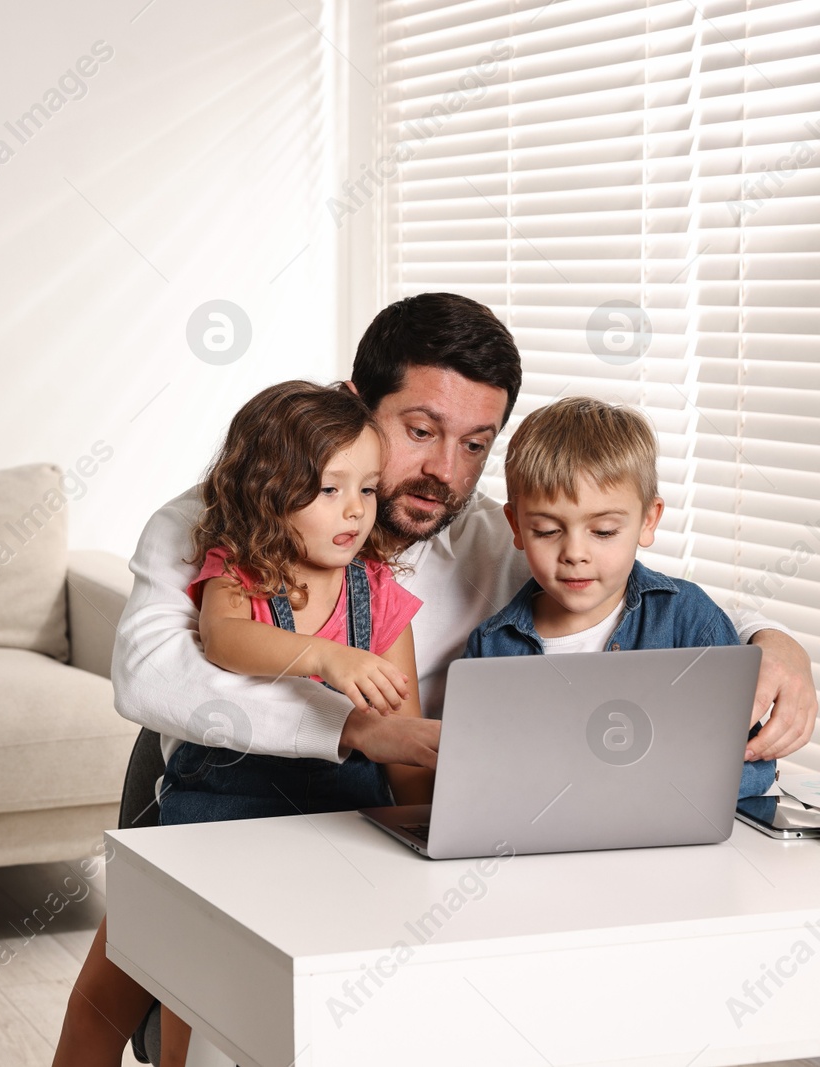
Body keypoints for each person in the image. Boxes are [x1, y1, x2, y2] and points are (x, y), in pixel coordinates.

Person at [52, 292, 817, 1065]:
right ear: (353, 403)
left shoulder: (497, 534)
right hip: (222, 808)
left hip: (380, 828)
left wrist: (771, 639)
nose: (445, 472)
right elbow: (150, 674)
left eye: (477, 444)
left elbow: (619, 566)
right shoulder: (220, 520)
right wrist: (348, 719)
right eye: (420, 432)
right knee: (138, 1009)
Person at [155, 381, 432, 1063]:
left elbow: (403, 732)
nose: (355, 510)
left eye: (367, 489)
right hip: (227, 806)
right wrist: (326, 658)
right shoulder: (241, 572)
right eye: (329, 489)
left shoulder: (379, 595)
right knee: (196, 977)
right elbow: (223, 639)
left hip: (343, 808)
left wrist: (429, 824)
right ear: (267, 490)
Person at [464, 396, 777, 797]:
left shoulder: (688, 620)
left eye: (604, 531)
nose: (575, 553)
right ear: (518, 527)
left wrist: (642, 787)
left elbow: (751, 762)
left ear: (648, 521)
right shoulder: (491, 646)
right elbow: (478, 781)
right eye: (546, 530)